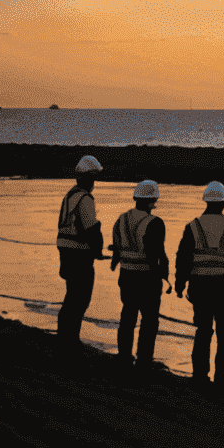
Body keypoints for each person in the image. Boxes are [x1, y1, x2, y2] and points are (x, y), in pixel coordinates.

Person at [174, 181, 224, 388]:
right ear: (223, 203)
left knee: (203, 330)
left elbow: (183, 258)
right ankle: (221, 374)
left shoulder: (193, 227)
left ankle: (200, 372)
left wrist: (180, 284)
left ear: (205, 201)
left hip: (200, 286)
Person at [111, 179, 169, 373]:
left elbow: (117, 250)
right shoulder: (154, 222)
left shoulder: (121, 219)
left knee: (127, 316)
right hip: (147, 278)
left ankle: (124, 357)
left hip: (126, 275)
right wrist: (163, 273)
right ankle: (144, 361)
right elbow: (157, 254)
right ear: (152, 200)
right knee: (149, 320)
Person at [55, 154, 105, 353]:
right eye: (94, 178)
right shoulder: (85, 199)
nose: (95, 182)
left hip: (65, 251)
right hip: (79, 254)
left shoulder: (70, 196)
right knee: (80, 298)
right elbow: (91, 229)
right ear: (88, 177)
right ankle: (71, 340)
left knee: (71, 296)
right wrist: (98, 251)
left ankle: (63, 336)